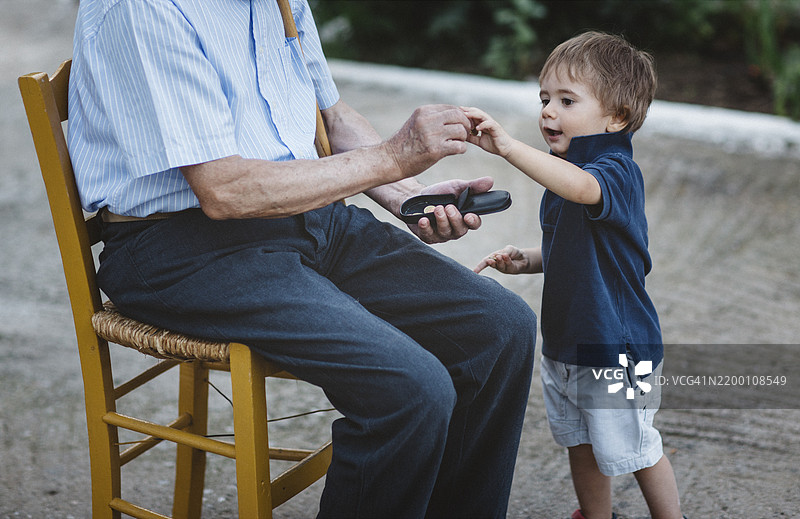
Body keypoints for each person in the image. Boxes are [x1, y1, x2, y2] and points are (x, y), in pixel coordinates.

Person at [67, 1, 537, 517]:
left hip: (306, 216)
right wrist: (393, 155)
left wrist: (408, 193)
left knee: (500, 329)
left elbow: (330, 116)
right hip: (180, 247)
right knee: (409, 389)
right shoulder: (146, 8)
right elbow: (225, 192)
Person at [466, 32, 684, 519]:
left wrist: (508, 148)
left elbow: (586, 190)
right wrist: (530, 257)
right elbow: (577, 246)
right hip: (567, 344)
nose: (548, 111)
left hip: (617, 347)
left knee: (637, 447)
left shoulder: (615, 171)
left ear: (617, 117)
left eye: (567, 100)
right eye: (544, 98)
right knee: (580, 441)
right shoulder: (565, 173)